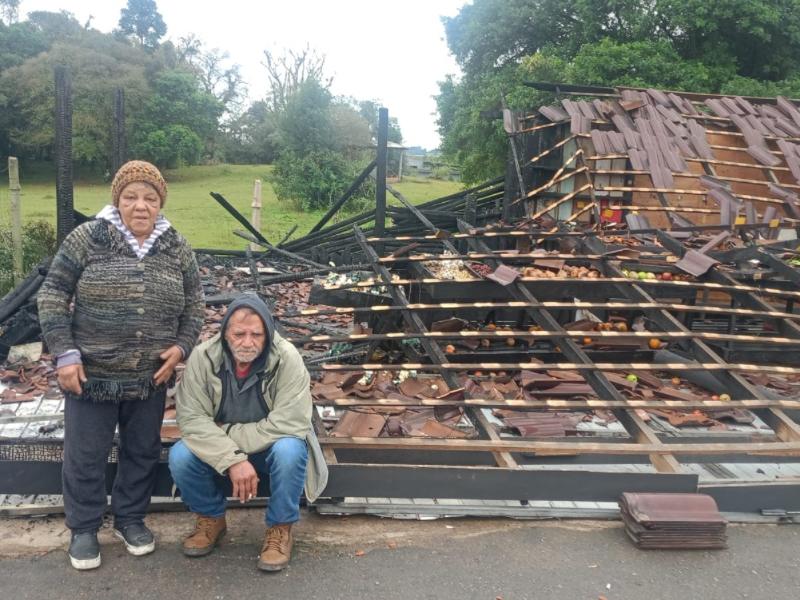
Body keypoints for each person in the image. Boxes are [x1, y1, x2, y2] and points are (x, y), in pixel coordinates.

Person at [37, 160, 204, 570]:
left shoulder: (176, 246)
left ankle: (130, 518)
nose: (141, 206)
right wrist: (65, 353)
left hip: (150, 377)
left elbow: (196, 304)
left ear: (160, 202)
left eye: (150, 198)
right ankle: (84, 527)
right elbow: (53, 293)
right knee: (86, 454)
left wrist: (182, 347)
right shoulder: (88, 238)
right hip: (91, 376)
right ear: (117, 200)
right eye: (131, 197)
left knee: (141, 451)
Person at [169, 293, 328, 572]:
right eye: (239, 333)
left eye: (256, 334)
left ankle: (280, 528)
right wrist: (233, 459)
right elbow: (192, 419)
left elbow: (290, 423)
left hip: (270, 448)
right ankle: (211, 519)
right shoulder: (203, 357)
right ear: (225, 333)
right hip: (225, 452)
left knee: (290, 449)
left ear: (267, 334)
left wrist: (227, 437)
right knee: (181, 455)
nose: (247, 341)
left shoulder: (287, 358)